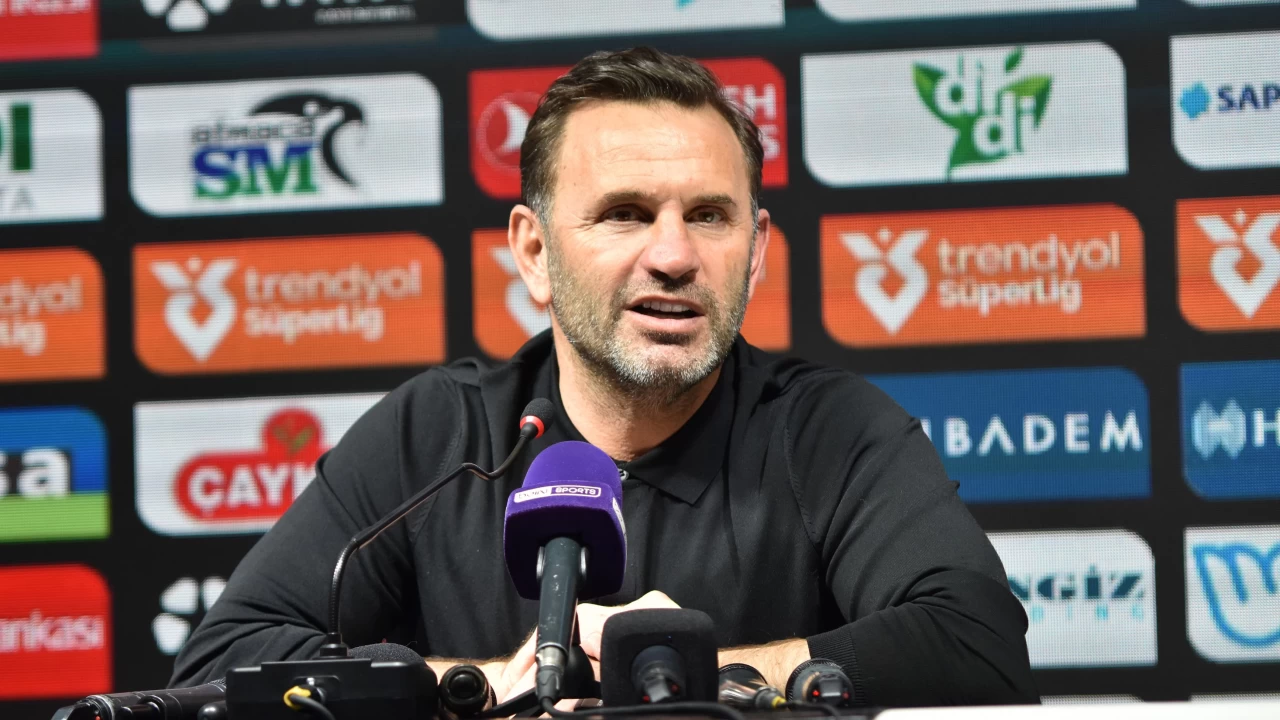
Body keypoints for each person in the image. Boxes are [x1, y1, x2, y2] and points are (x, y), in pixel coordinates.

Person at [172, 47, 1038, 707]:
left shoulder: (829, 430)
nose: (674, 255)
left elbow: (979, 646)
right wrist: (487, 686)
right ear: (534, 253)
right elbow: (222, 664)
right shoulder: (434, 434)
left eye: (710, 216)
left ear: (756, 250)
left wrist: (676, 673)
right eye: (625, 214)